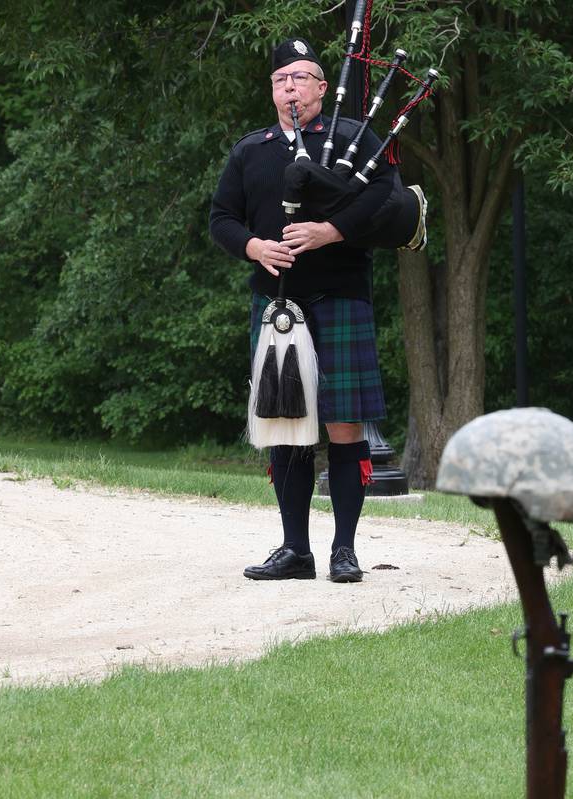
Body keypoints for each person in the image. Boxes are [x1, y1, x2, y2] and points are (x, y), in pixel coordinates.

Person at [210, 37, 397, 584]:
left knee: (342, 424)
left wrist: (329, 231)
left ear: (322, 86)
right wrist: (252, 246)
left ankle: (344, 550)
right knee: (285, 421)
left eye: (301, 77)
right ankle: (296, 550)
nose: (290, 88)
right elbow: (222, 217)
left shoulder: (354, 139)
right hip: (277, 304)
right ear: (272, 91)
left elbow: (384, 196)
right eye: (280, 80)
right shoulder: (252, 150)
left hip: (340, 294)